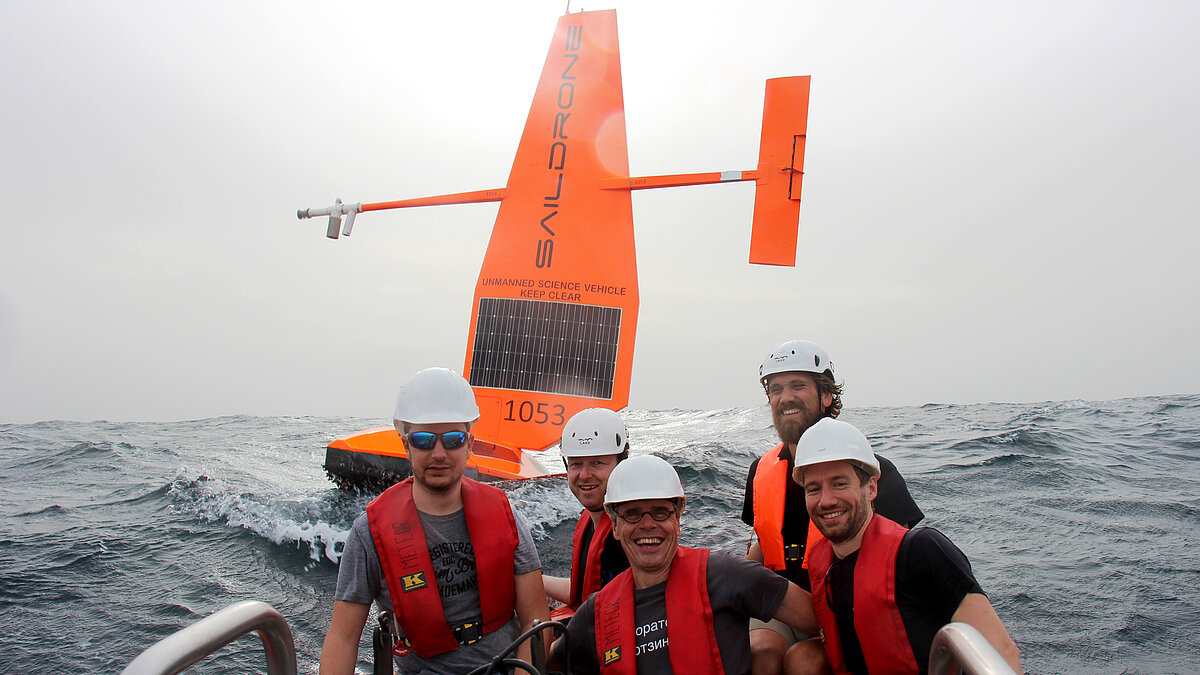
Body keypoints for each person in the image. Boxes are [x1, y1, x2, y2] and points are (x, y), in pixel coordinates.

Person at [319, 367, 550, 675]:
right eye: (424, 440)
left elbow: (535, 618)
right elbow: (343, 638)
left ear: (469, 445)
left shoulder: (505, 515)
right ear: (406, 445)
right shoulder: (368, 533)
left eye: (452, 439)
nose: (438, 453)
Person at [742, 340, 924, 674]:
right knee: (760, 652)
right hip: (780, 609)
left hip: (844, 611)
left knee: (805, 664)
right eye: (777, 389)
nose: (785, 398)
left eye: (798, 386)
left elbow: (902, 562)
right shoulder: (760, 471)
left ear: (827, 396)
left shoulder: (869, 473)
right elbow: (763, 543)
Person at [550, 454, 818, 674]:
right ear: (616, 526)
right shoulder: (596, 612)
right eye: (632, 514)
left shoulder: (727, 575)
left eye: (660, 512)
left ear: (677, 520)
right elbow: (554, 660)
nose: (647, 525)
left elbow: (817, 618)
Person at [792, 418, 1022, 674]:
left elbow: (1001, 652)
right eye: (813, 489)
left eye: (839, 483)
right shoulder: (820, 562)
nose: (826, 500)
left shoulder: (921, 550)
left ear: (870, 488)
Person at [542, 408, 631, 610]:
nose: (584, 475)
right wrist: (524, 577)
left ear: (621, 464)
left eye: (597, 463)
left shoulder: (630, 532)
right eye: (576, 464)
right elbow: (583, 593)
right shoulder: (593, 520)